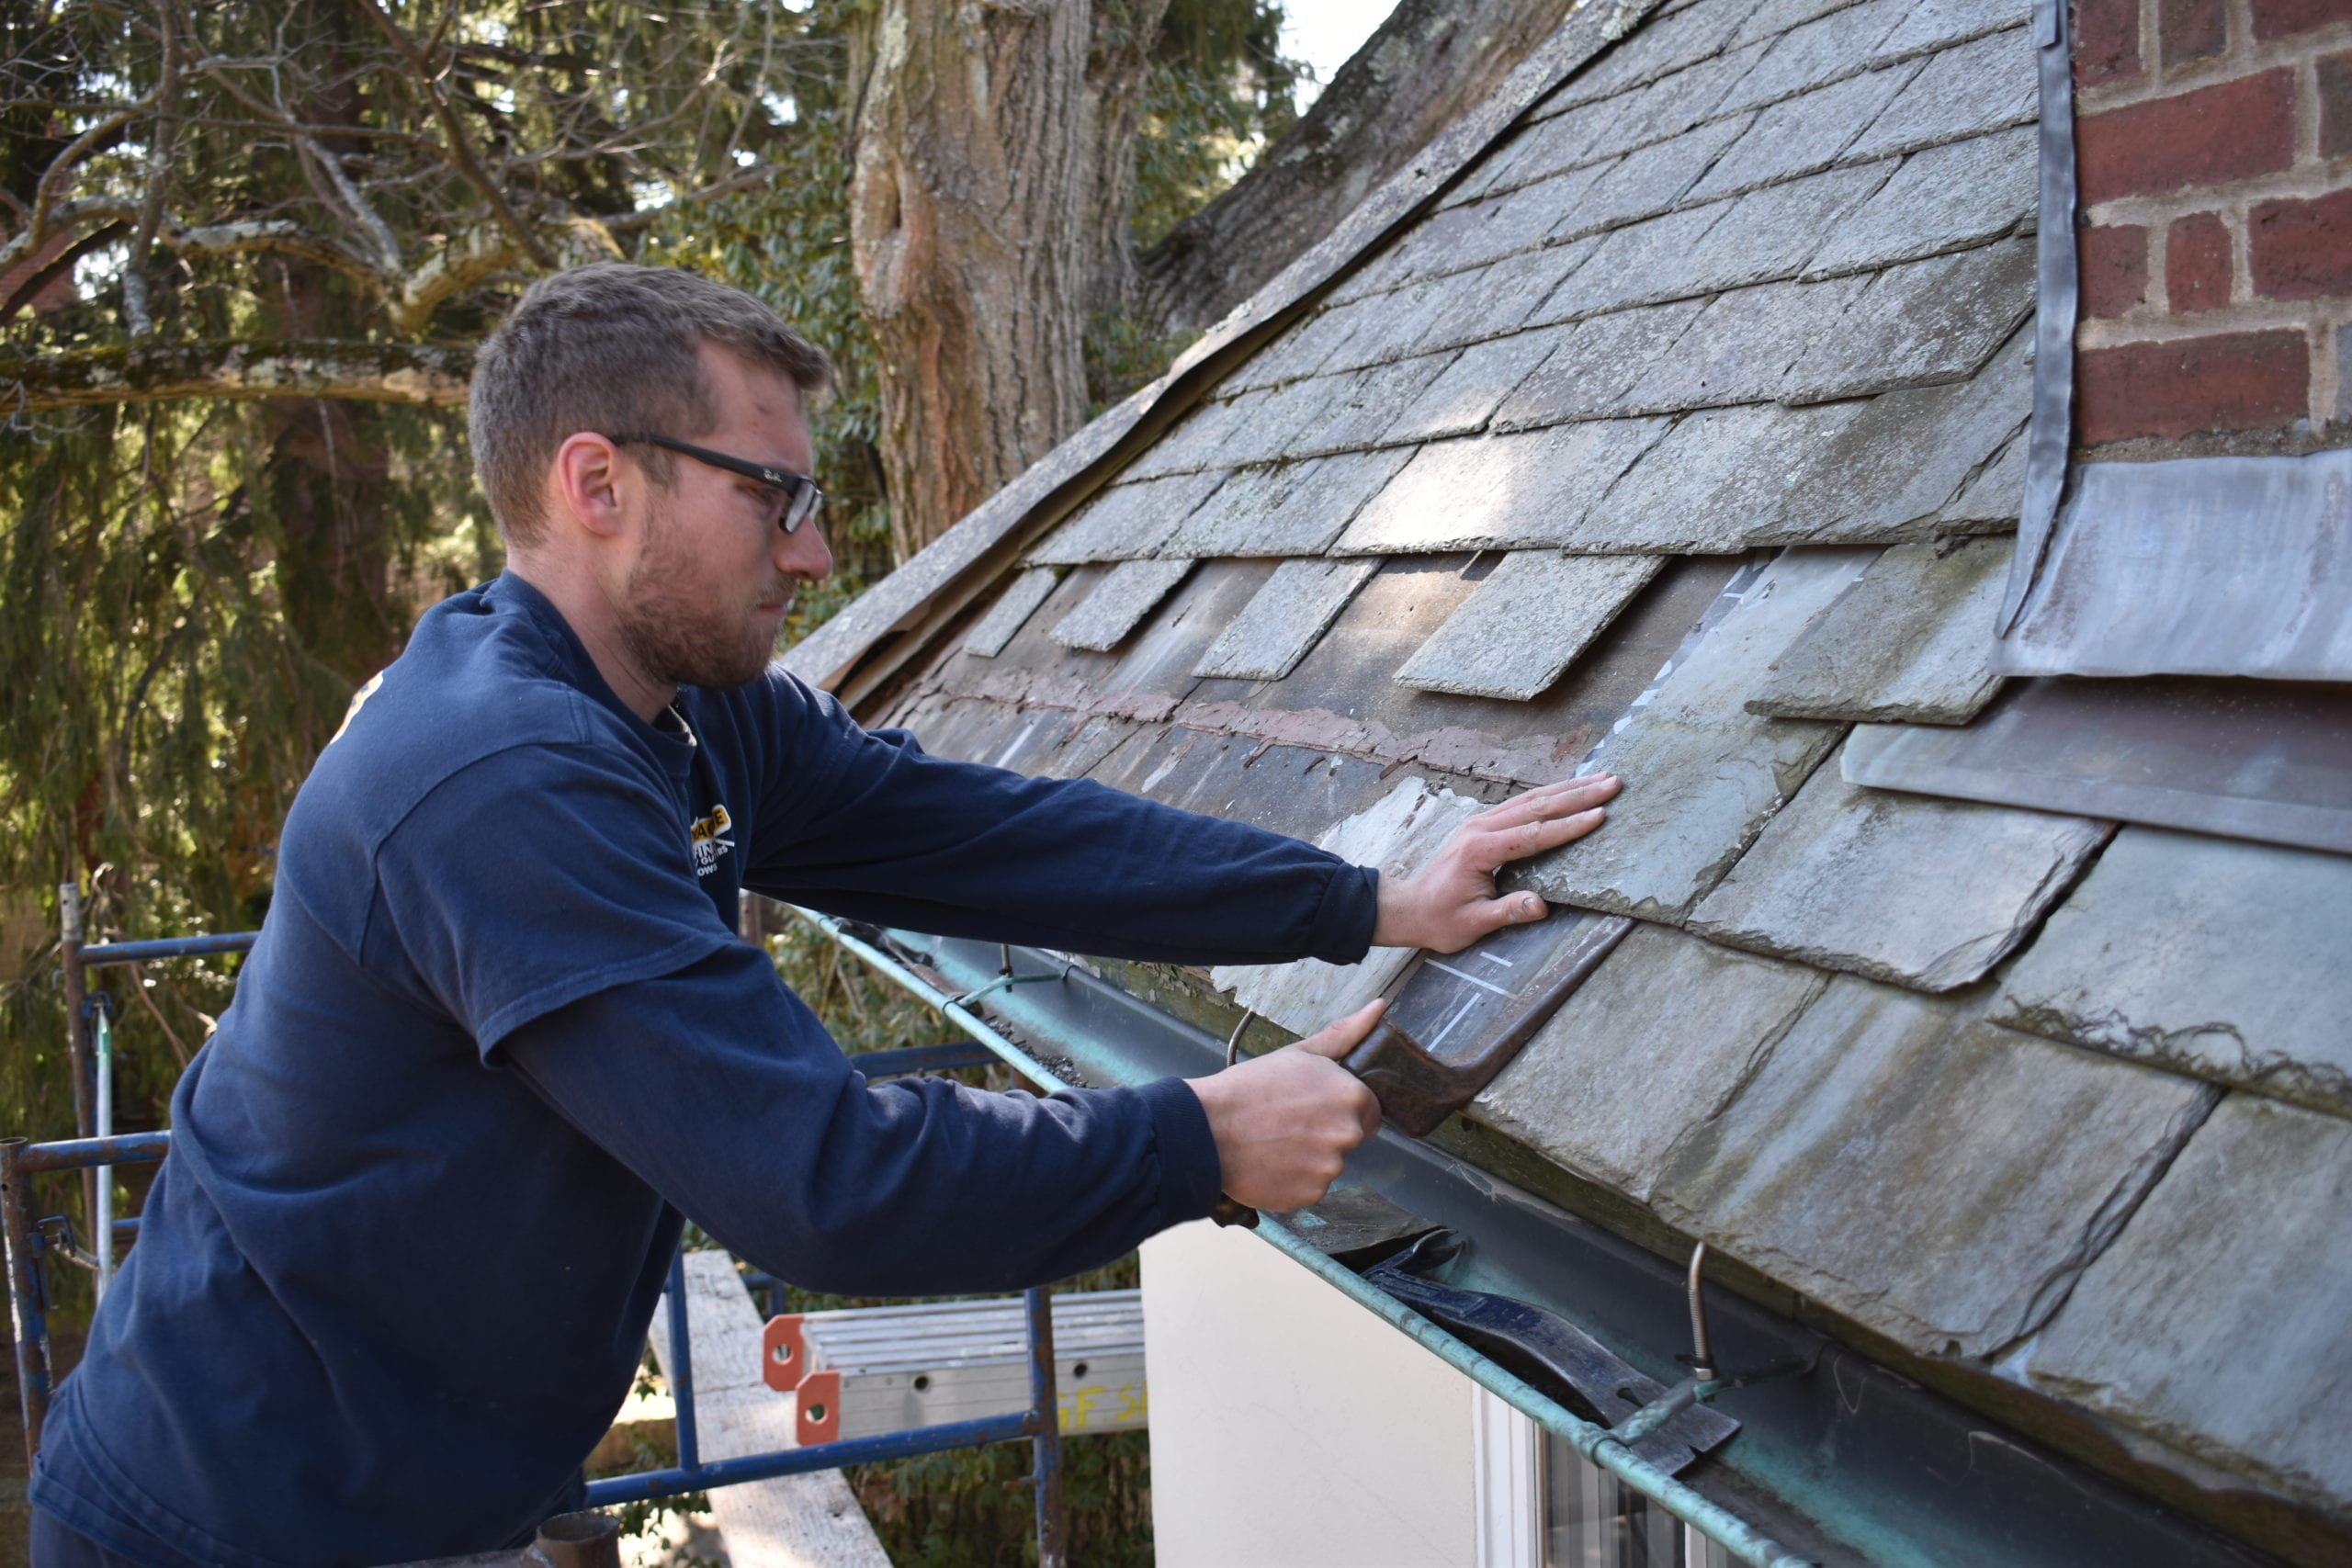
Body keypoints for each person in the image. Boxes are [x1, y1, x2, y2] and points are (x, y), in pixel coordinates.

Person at [28, 264, 1620, 1566]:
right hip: (236, 1518)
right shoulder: (500, 781)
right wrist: (1196, 1144)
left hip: (432, 1496)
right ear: (598, 484)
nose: (814, 547)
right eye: (770, 493)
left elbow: (988, 835)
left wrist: (1363, 901)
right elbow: (820, 1182)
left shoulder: (683, 710)